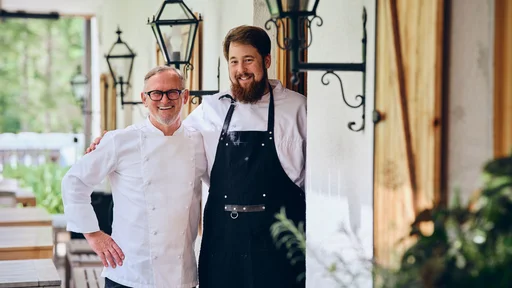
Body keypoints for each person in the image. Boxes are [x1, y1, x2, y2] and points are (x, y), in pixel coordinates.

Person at [88, 25, 306, 288]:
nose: (241, 69)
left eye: (249, 60)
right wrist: (114, 140)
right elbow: (168, 136)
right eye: (234, 61)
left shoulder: (298, 108)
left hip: (279, 245)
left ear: (267, 60)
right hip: (224, 246)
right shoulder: (211, 109)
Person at [63, 66, 206, 288]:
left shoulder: (200, 142)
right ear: (144, 99)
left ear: (185, 96)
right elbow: (74, 182)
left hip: (181, 276)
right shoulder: (120, 141)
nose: (164, 100)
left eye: (173, 92)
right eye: (156, 93)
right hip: (129, 272)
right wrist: (93, 235)